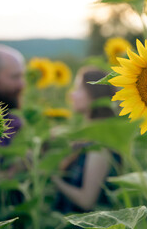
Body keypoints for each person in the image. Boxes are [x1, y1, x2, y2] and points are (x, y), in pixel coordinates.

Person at [53, 66, 120, 213]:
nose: (72, 94)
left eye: (78, 89)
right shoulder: (87, 137)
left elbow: (87, 201)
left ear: (94, 94)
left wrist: (52, 178)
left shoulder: (100, 144)